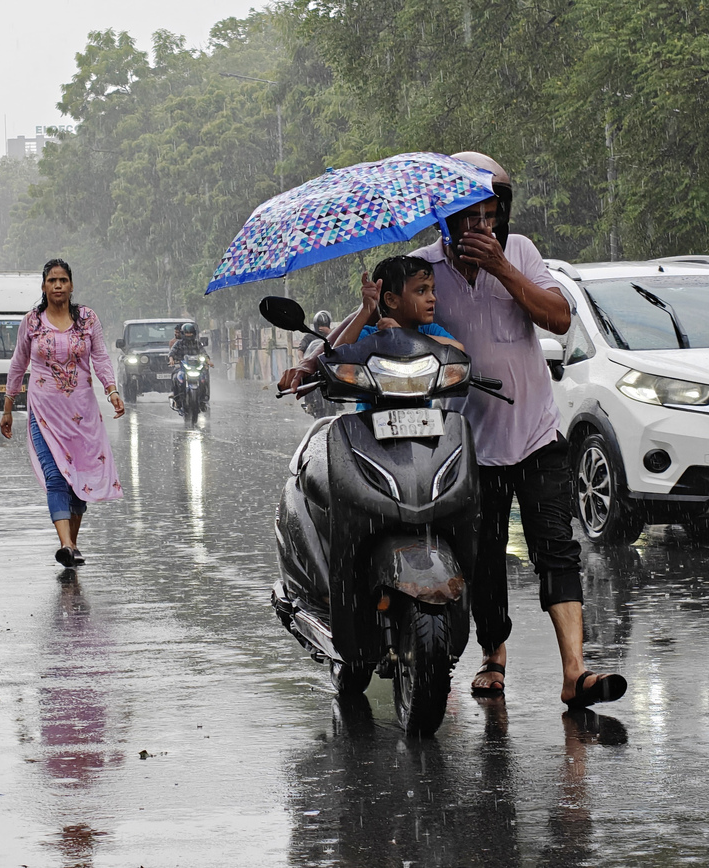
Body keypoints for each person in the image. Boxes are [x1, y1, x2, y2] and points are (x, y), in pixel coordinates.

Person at [279, 151, 627, 711]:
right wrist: (313, 360)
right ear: (445, 217)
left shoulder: (521, 254)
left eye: (490, 215)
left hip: (536, 432)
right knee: (484, 558)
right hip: (464, 442)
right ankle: (494, 657)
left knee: (556, 551)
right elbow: (359, 325)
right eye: (469, 216)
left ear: (503, 214)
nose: (481, 226)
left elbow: (559, 318)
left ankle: (575, 672)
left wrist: (502, 269)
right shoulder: (419, 268)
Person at [0, 259, 125, 568]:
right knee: (56, 478)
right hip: (44, 414)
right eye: (52, 280)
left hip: (82, 415)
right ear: (43, 287)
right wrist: (8, 406)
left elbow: (101, 356)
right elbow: (19, 364)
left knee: (78, 481)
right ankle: (66, 544)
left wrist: (111, 390)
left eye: (63, 280)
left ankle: (72, 545)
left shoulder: (87, 319)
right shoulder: (32, 322)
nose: (57, 285)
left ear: (71, 285)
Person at [333, 255, 463, 352]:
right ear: (391, 300)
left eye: (432, 290)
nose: (432, 298)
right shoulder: (374, 334)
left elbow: (458, 348)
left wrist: (404, 335)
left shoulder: (430, 330)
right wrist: (366, 310)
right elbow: (337, 354)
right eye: (421, 291)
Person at [168, 322, 211, 410]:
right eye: (187, 333)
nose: (189, 335)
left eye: (190, 333)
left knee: (205, 376)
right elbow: (172, 353)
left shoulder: (197, 343)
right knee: (175, 375)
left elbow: (204, 353)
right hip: (182, 366)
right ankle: (176, 397)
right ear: (183, 334)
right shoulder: (178, 343)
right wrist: (172, 360)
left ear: (194, 333)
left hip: (197, 366)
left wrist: (208, 361)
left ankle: (204, 398)